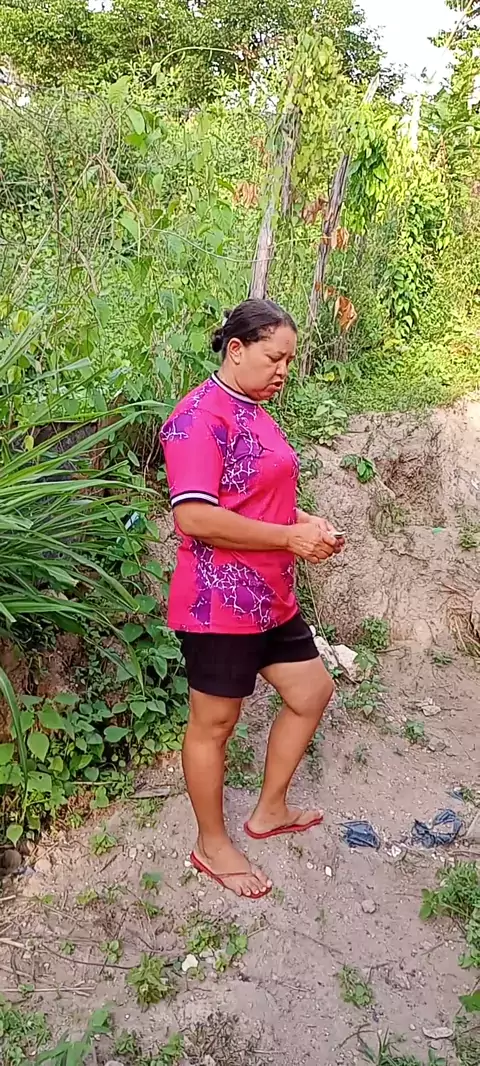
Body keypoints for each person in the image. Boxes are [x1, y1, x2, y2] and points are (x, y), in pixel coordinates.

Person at [160, 298, 344, 899]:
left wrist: (304, 523)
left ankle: (269, 810)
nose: (283, 370)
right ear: (235, 350)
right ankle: (210, 845)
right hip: (219, 603)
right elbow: (194, 515)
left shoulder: (256, 411)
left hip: (270, 595)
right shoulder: (197, 417)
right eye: (274, 357)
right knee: (214, 724)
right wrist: (289, 538)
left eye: (289, 360)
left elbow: (253, 495)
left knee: (311, 692)